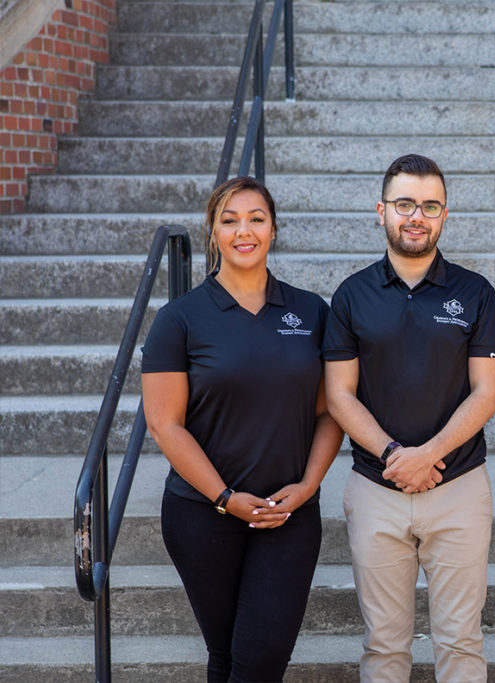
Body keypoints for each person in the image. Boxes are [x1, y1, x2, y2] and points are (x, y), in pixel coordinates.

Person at [141, 176, 343, 682]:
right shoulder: (179, 319)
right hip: (202, 514)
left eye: (256, 218)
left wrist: (308, 486)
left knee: (261, 657)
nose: (244, 231)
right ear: (213, 232)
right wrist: (224, 497)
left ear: (274, 228)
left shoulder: (311, 311)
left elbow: (329, 412)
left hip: (288, 513)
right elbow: (165, 424)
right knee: (226, 656)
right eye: (229, 221)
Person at [323, 154, 495, 682]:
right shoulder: (351, 295)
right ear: (381, 210)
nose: (416, 217)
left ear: (444, 215)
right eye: (404, 204)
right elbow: (339, 395)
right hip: (376, 487)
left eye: (429, 206)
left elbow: (487, 393)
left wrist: (428, 455)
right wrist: (393, 456)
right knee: (383, 646)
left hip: (459, 486)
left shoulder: (474, 292)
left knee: (461, 642)